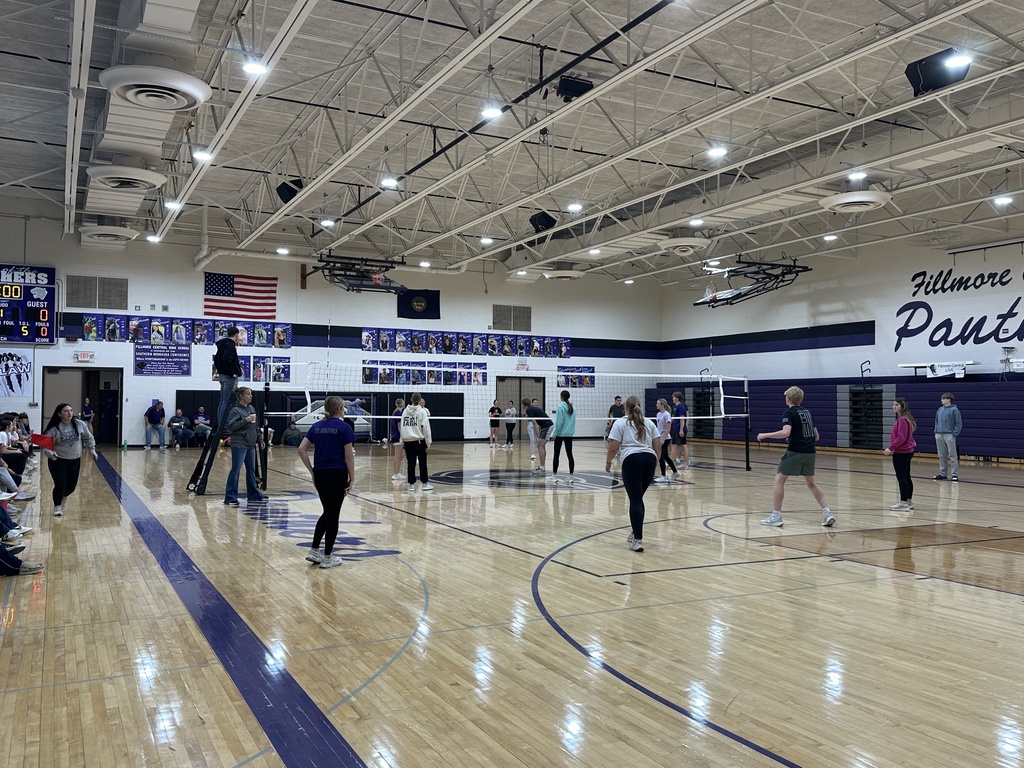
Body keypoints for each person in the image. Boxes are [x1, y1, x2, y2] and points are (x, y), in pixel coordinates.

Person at [757, 386, 835, 528]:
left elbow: (786, 432)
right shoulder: (808, 412)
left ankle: (776, 516)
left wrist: (765, 435)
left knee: (779, 480)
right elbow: (816, 436)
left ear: (788, 398)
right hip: (810, 452)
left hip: (796, 451)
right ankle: (827, 513)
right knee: (811, 483)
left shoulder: (789, 413)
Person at [297, 396, 355, 569]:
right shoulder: (344, 427)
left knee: (328, 511)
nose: (344, 409)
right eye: (343, 407)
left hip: (321, 474)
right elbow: (348, 457)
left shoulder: (316, 426)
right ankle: (328, 557)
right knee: (333, 514)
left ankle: (314, 550)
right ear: (339, 409)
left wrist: (312, 471)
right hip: (337, 474)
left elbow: (301, 449)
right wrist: (352, 479)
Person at [606, 395, 662, 552]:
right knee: (638, 499)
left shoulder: (620, 423)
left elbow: (613, 447)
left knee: (635, 500)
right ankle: (635, 531)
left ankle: (637, 540)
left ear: (625, 408)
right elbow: (658, 445)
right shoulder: (649, 422)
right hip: (649, 460)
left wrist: (608, 462)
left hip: (632, 460)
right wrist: (656, 462)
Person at [42, 402, 97, 517]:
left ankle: (63, 497)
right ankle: (57, 506)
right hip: (58, 460)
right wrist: (51, 454)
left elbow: (88, 437)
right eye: (66, 411)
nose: (69, 413)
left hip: (74, 460)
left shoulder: (79, 424)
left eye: (71, 411)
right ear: (59, 414)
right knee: (60, 484)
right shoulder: (54, 428)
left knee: (71, 486)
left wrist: (92, 450)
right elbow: (46, 445)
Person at [223, 387, 267, 506]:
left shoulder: (251, 408)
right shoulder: (235, 411)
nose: (251, 396)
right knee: (236, 470)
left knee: (251, 471)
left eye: (251, 394)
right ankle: (230, 497)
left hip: (251, 444)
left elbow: (256, 426)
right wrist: (245, 420)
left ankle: (253, 494)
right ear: (241, 396)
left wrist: (259, 439)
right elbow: (231, 427)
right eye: (248, 394)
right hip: (239, 443)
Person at [884, 398, 917, 511]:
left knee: (902, 477)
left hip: (901, 452)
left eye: (897, 405)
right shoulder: (906, 418)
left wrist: (890, 448)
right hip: (907, 451)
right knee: (906, 476)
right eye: (893, 404)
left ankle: (903, 503)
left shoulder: (902, 420)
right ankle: (908, 501)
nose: (894, 406)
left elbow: (901, 437)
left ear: (902, 406)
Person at [214, 326, 243, 436]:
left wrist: (221, 371)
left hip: (222, 375)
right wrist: (232, 372)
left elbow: (217, 360)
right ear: (236, 334)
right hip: (228, 376)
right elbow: (227, 359)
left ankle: (220, 424)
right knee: (227, 401)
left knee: (222, 401)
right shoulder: (230, 345)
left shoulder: (222, 345)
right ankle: (224, 426)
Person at [400, 393, 432, 492]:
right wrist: (428, 442)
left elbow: (402, 427)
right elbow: (426, 428)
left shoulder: (405, 411)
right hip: (419, 440)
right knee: (422, 462)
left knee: (411, 463)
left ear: (411, 399)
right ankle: (425, 483)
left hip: (408, 441)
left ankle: (411, 485)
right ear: (420, 400)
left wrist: (402, 441)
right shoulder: (422, 412)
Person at [933, 392, 962, 482]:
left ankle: (954, 474)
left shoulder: (955, 410)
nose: (941, 400)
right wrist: (936, 431)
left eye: (943, 399)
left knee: (952, 455)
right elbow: (936, 421)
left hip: (949, 435)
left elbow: (958, 423)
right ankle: (943, 473)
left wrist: (954, 434)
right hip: (939, 434)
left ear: (948, 399)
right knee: (942, 455)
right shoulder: (940, 409)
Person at [550, 390, 577, 483]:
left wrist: (554, 434)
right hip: (569, 435)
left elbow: (559, 422)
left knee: (556, 454)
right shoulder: (573, 408)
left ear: (561, 397)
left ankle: (554, 476)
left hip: (560, 434)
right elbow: (573, 422)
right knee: (570, 455)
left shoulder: (560, 407)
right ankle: (571, 477)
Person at [653, 397, 681, 483]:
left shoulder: (666, 414)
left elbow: (668, 429)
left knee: (661, 457)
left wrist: (663, 439)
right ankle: (675, 472)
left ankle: (663, 476)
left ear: (662, 404)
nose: (656, 405)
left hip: (666, 438)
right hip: (659, 437)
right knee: (665, 457)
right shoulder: (658, 414)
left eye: (658, 403)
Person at [523, 397, 552, 475]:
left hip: (547, 426)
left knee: (540, 445)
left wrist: (538, 437)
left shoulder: (529, 410)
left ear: (524, 405)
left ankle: (542, 467)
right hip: (545, 426)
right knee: (541, 445)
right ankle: (542, 466)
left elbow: (535, 424)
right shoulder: (532, 409)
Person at [670, 391, 690, 468]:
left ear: (677, 398)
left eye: (673, 397)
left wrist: (681, 430)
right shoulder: (675, 407)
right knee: (682, 445)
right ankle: (685, 464)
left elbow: (682, 419)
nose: (672, 398)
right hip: (677, 428)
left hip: (679, 429)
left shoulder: (680, 406)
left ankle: (672, 462)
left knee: (675, 445)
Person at [390, 398, 406, 480]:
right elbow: (399, 426)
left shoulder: (397, 412)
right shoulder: (398, 413)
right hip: (397, 436)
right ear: (402, 404)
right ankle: (395, 473)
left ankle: (397, 472)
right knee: (397, 456)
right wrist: (402, 436)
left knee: (401, 455)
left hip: (397, 436)